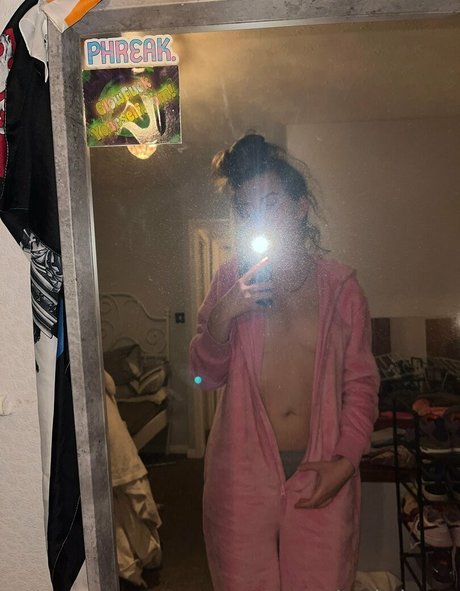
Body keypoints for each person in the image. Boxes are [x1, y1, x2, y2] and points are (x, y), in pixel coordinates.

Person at [189, 133, 379, 591]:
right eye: (249, 208)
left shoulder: (342, 290)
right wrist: (222, 316)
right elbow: (203, 376)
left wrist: (345, 463)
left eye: (272, 202)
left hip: (321, 466)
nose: (261, 216)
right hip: (241, 473)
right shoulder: (230, 280)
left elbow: (360, 386)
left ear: (299, 207)